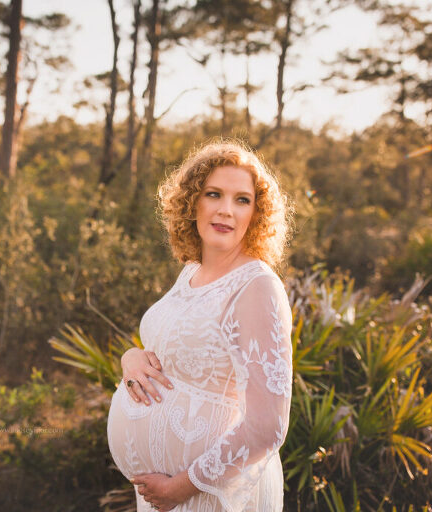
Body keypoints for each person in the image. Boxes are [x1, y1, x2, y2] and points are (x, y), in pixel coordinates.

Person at [106, 140, 294, 512]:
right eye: (214, 194)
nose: (226, 210)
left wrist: (182, 486)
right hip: (163, 495)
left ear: (257, 213)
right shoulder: (192, 271)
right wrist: (131, 359)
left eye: (242, 200)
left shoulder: (256, 286)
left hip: (210, 494)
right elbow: (168, 349)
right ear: (193, 202)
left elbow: (268, 424)